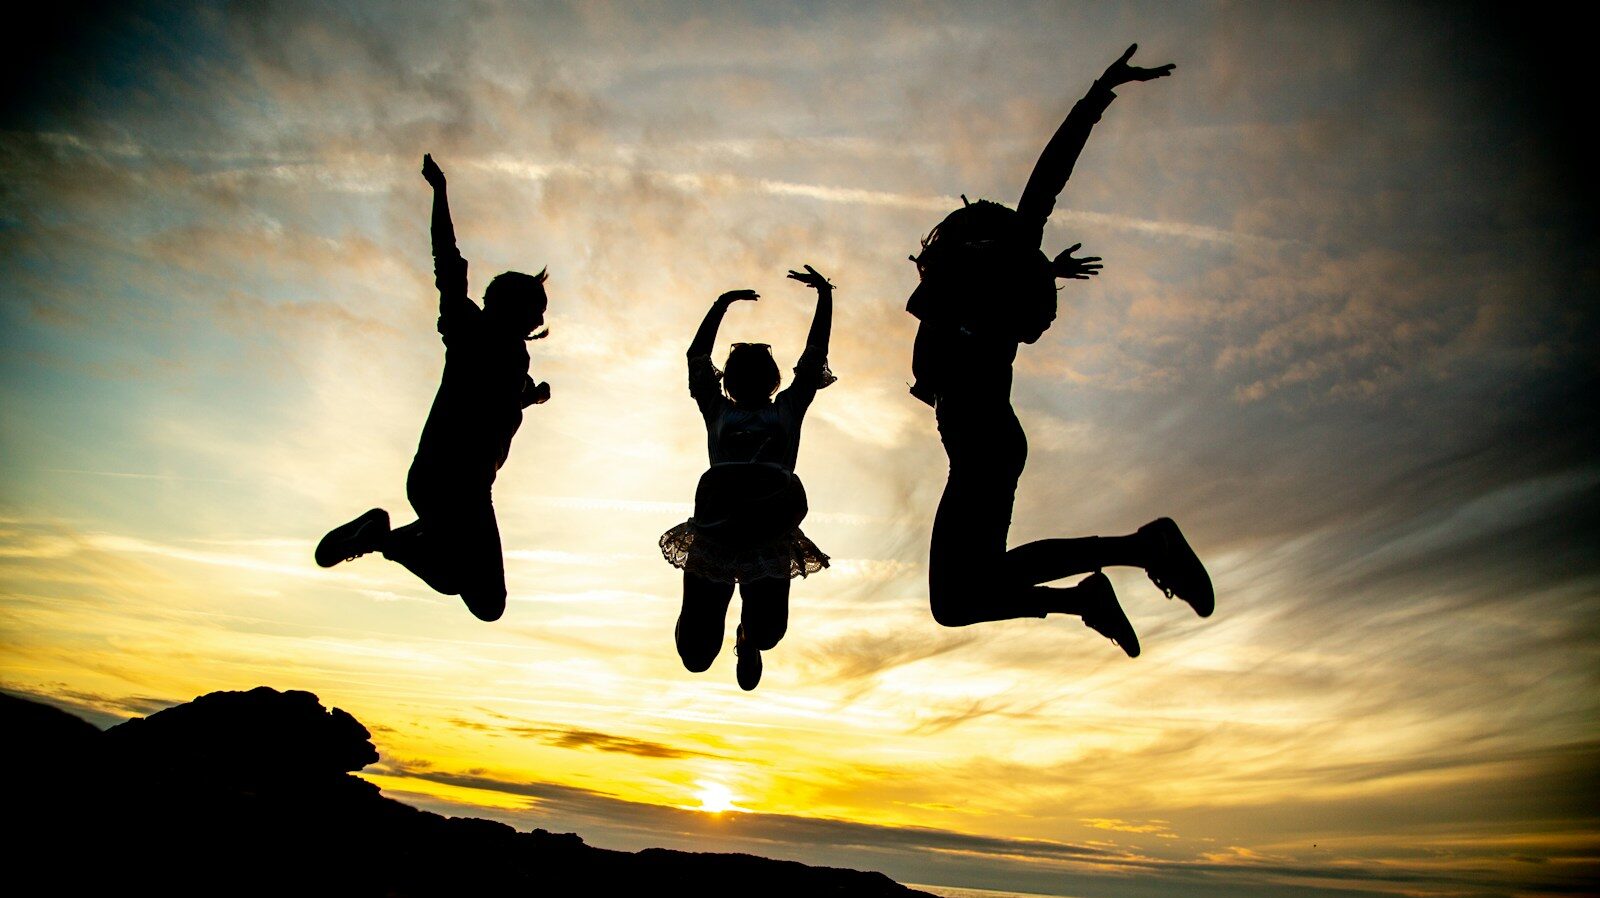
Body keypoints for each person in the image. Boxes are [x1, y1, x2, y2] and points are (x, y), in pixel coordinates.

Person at [907, 45, 1211, 657]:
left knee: (957, 598)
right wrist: (1042, 266)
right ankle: (1090, 595)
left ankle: (1138, 550)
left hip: (985, 443)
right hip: (983, 444)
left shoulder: (983, 276)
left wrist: (1099, 92)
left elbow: (1046, 180)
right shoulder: (959, 296)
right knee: (956, 601)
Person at [315, 153, 551, 623]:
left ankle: (382, 536)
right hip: (453, 485)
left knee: (463, 585)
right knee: (487, 602)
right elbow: (447, 260)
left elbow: (492, 405)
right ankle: (383, 537)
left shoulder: (512, 357)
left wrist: (530, 396)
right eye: (537, 309)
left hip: (450, 485)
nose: (543, 319)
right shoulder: (469, 328)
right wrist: (440, 193)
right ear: (512, 307)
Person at [660, 266, 836, 690]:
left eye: (760, 371)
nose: (750, 377)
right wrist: (721, 305)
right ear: (731, 379)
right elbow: (696, 359)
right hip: (717, 530)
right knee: (696, 657)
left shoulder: (788, 410)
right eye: (741, 371)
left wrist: (825, 296)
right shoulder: (718, 410)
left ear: (773, 379)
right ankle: (704, 622)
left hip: (769, 531)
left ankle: (747, 638)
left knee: (768, 634)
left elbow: (814, 358)